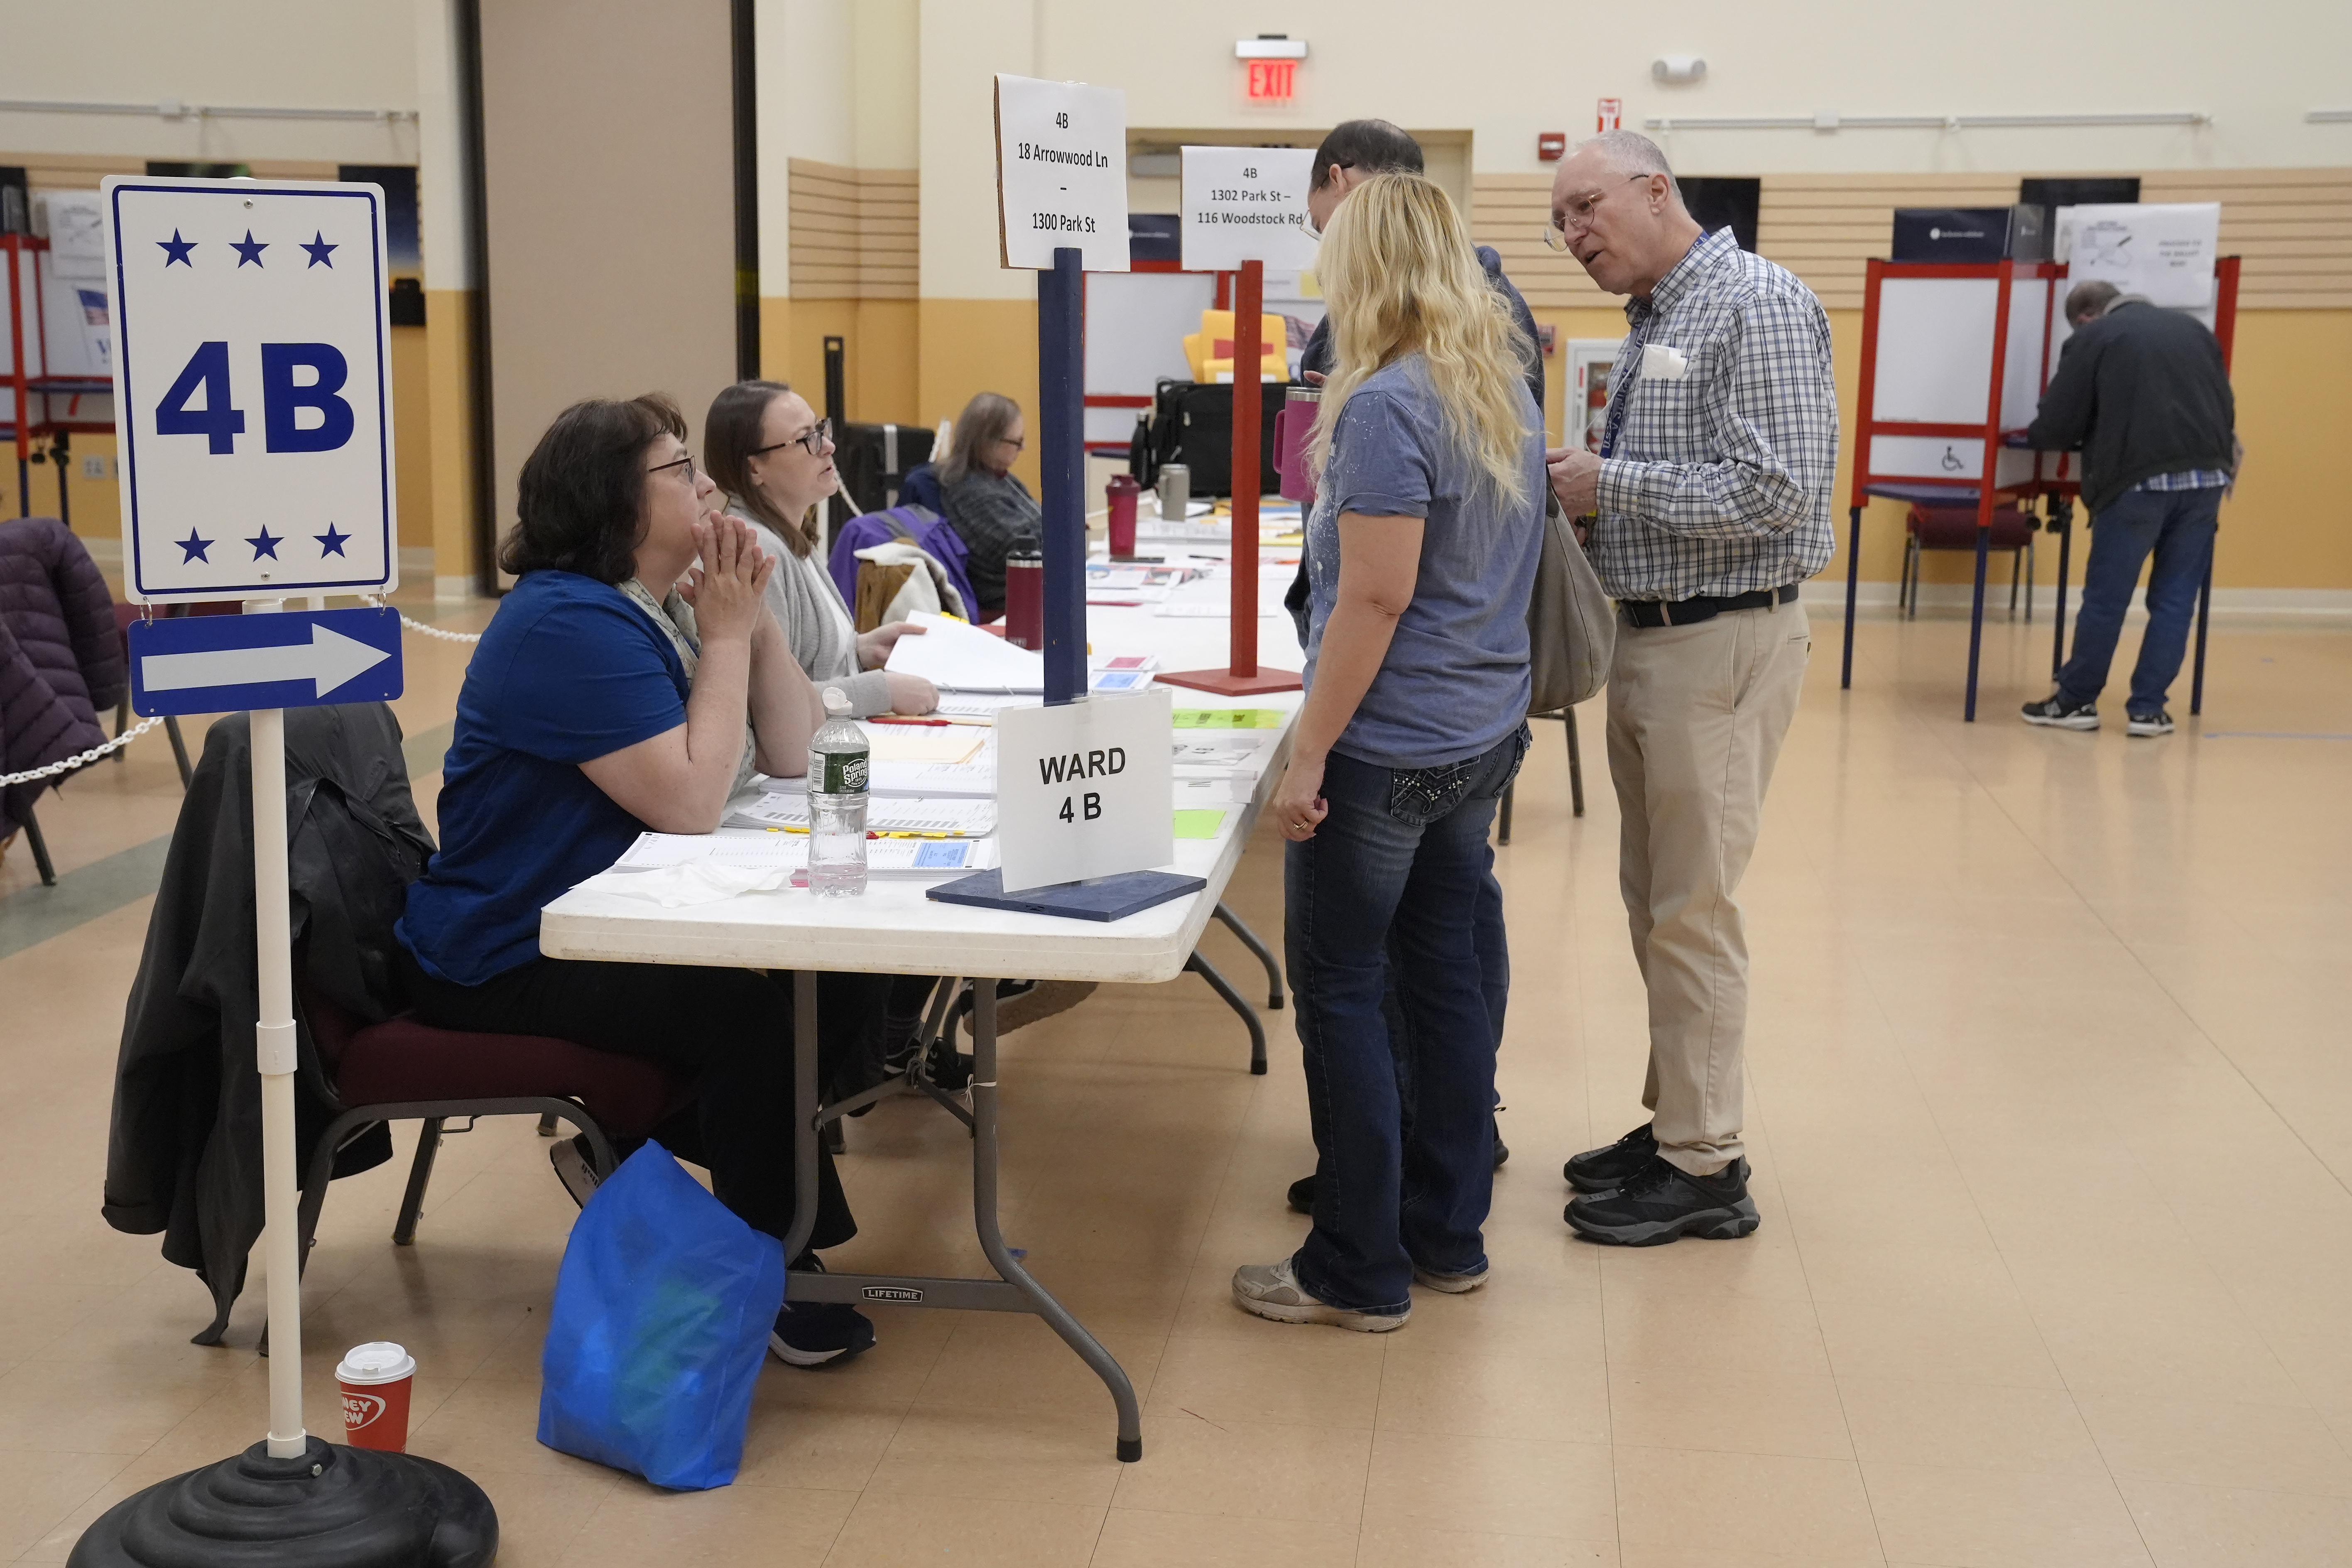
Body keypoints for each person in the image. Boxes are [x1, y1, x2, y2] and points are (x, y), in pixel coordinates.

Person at [394, 394, 881, 1367]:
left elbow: (790, 751)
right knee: (745, 1016)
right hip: (505, 948)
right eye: (680, 469)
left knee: (836, 982)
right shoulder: (566, 624)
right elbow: (695, 801)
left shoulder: (642, 605)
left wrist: (757, 619)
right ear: (615, 502)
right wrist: (733, 636)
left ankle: (732, 1202)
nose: (707, 484)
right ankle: (776, 1267)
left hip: (600, 916)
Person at [1230, 172, 1542, 1333]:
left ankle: (1357, 1267)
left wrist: (1308, 756)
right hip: (1478, 734)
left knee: (1346, 994)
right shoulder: (1500, 383)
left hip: (1389, 750)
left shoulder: (1382, 408)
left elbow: (1371, 600)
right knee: (1443, 976)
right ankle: (1446, 1235)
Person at [1543, 131, 1836, 1246]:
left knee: (1695, 910)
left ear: (1655, 189)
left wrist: (1606, 484)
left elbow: (1776, 491)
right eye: (1558, 221)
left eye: (1586, 208)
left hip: (1723, 645)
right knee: (1657, 903)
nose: (1573, 236)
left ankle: (1708, 1168)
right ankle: (1678, 1121)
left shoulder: (1753, 304)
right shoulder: (1664, 313)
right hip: (1657, 640)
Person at [2019, 280, 2237, 737]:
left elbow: (2058, 424)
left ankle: (2076, 702)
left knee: (2107, 599)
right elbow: (2225, 406)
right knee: (2176, 600)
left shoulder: (2095, 338)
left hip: (2137, 481)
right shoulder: (2195, 331)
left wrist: (2038, 436)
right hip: (2208, 480)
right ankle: (2149, 710)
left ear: (2085, 318)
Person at [703, 380, 938, 718]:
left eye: (820, 430)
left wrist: (858, 650)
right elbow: (769, 706)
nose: (828, 446)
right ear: (755, 468)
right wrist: (880, 691)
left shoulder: (788, 532)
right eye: (806, 439)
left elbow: (803, 663)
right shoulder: (754, 551)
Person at [936, 392, 1037, 621]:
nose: (1023, 448)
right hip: (1008, 608)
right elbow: (1022, 549)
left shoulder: (999, 478)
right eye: (1017, 442)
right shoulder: (970, 491)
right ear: (988, 442)